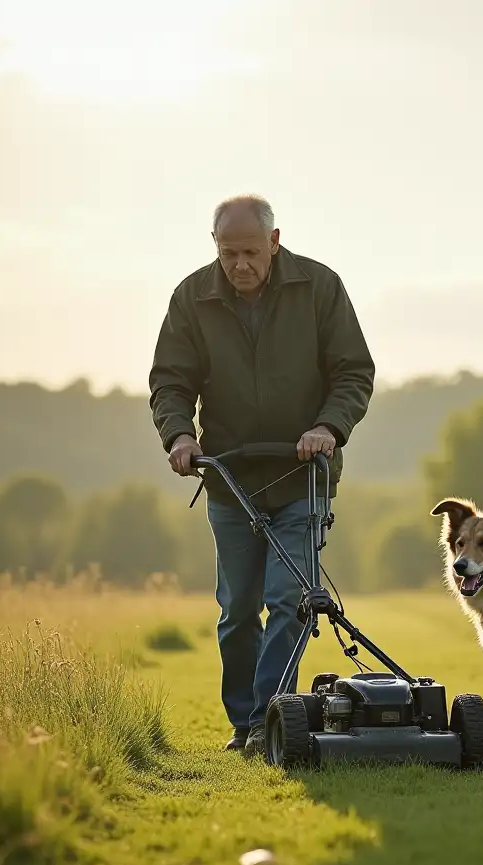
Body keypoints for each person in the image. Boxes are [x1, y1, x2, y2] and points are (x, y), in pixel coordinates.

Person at [148, 194, 375, 757]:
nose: (240, 264)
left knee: (289, 600)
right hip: (229, 479)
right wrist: (179, 436)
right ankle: (246, 721)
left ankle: (267, 724)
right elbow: (170, 380)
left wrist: (327, 426)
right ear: (215, 246)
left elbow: (353, 372)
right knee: (238, 610)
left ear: (274, 242)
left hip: (303, 475)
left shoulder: (319, 288)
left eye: (250, 251)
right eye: (229, 253)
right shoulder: (192, 298)